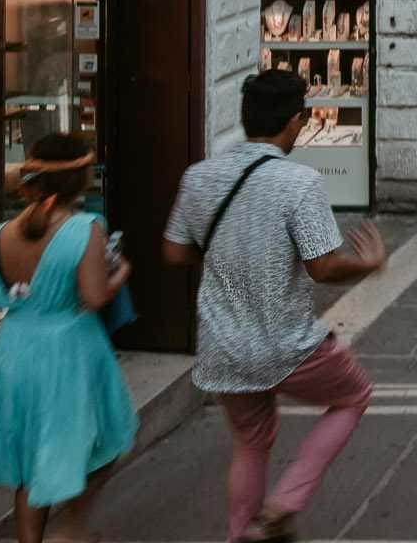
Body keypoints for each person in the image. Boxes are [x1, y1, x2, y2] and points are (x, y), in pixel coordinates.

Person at [163, 70, 388, 543]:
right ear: (295, 122)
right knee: (353, 396)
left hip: (224, 344)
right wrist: (368, 263)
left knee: (250, 443)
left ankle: (241, 535)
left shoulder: (200, 177)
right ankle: (281, 508)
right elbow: (323, 268)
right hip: (286, 344)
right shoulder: (299, 183)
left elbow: (174, 253)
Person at [0, 132, 135, 543]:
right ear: (81, 181)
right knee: (106, 439)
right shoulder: (86, 229)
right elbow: (94, 297)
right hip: (69, 351)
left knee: (34, 463)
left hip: (14, 352)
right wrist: (121, 272)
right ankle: (68, 528)